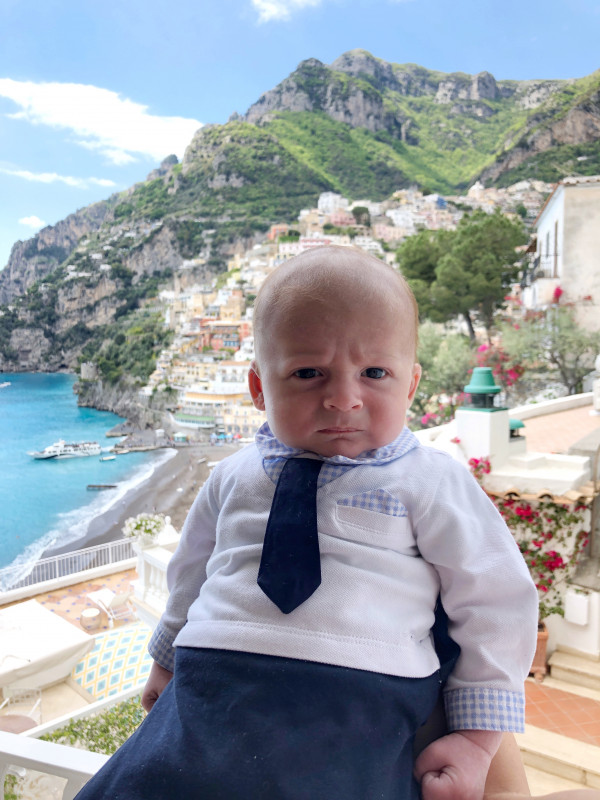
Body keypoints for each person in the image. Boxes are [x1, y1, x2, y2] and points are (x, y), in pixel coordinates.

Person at [77, 246, 545, 799]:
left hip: (357, 695)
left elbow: (496, 599)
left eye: (374, 372)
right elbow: (191, 574)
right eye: (308, 373)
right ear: (258, 389)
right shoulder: (230, 477)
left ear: (411, 386)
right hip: (210, 679)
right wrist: (165, 660)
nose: (343, 399)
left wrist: (476, 739)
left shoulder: (430, 480)